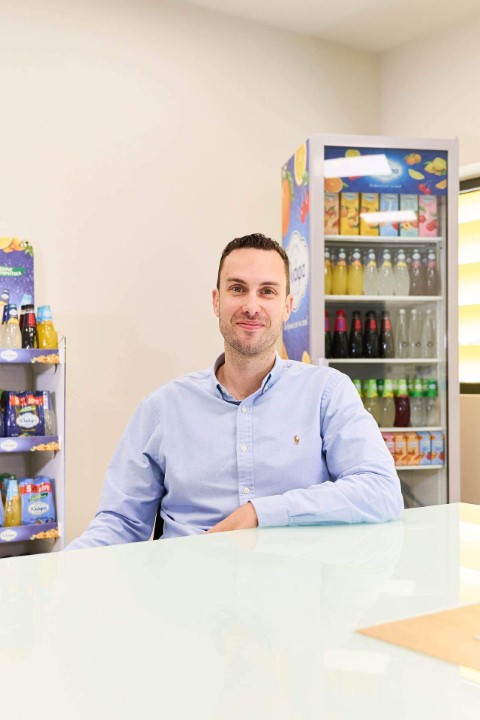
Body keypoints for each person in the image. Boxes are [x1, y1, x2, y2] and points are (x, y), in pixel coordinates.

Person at [67, 233, 403, 550]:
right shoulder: (163, 409)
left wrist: (261, 513)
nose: (252, 306)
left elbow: (381, 491)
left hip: (294, 584)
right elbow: (120, 523)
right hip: (188, 585)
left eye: (267, 291)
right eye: (238, 289)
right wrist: (55, 573)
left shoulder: (326, 393)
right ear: (217, 301)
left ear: (287, 306)